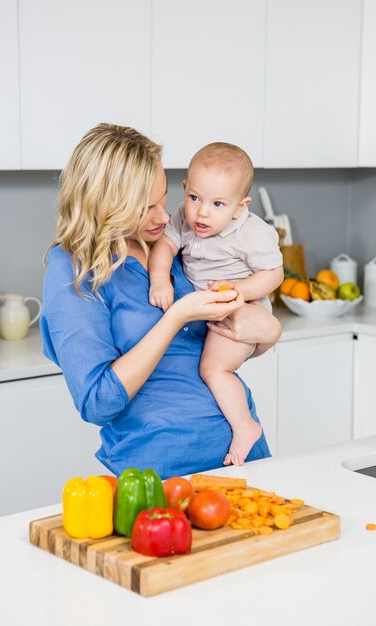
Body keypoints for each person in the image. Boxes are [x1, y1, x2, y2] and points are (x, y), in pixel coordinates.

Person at [40, 123, 281, 479]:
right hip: (160, 472)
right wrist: (175, 317)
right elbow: (97, 401)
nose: (163, 216)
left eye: (164, 198)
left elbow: (219, 339)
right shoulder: (74, 268)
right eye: (143, 207)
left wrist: (270, 333)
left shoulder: (175, 243)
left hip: (245, 455)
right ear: (104, 205)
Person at [149, 142, 283, 465]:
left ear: (240, 206)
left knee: (213, 368)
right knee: (212, 365)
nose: (202, 212)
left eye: (218, 203)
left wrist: (242, 289)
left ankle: (245, 426)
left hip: (239, 310)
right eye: (194, 197)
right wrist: (159, 279)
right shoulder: (184, 218)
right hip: (215, 314)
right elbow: (164, 248)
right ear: (185, 189)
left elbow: (274, 273)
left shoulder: (251, 233)